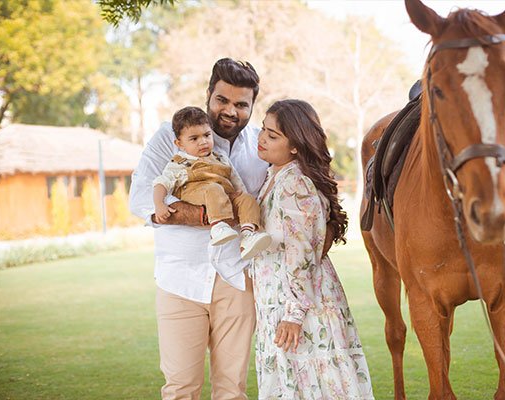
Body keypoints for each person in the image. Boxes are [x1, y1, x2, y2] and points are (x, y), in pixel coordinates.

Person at [129, 58, 268, 400]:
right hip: (180, 279)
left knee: (232, 389)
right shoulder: (171, 137)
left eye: (241, 104)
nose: (230, 111)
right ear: (209, 95)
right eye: (222, 100)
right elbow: (141, 198)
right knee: (180, 388)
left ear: (252, 106)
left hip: (237, 280)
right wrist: (207, 217)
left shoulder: (259, 147)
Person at [251, 99, 374, 399]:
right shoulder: (274, 176)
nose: (262, 139)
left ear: (295, 145)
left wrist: (293, 314)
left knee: (313, 386)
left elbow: (302, 253)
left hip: (300, 308)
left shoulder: (295, 184)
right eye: (263, 130)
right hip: (276, 303)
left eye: (273, 135)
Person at [152, 105, 271, 260]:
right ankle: (218, 227)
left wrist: (240, 196)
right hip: (196, 193)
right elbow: (161, 183)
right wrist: (159, 205)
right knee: (214, 189)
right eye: (194, 139)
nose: (203, 142)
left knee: (246, 198)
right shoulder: (180, 163)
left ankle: (248, 234)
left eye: (207, 135)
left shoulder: (220, 157)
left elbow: (234, 178)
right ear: (180, 144)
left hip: (221, 194)